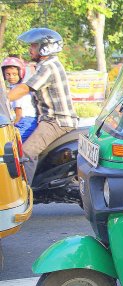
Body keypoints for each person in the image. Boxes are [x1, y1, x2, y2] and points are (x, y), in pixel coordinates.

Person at [7, 28, 78, 183]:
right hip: (47, 119)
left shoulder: (49, 66)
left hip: (57, 121)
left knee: (26, 152)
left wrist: (4, 98)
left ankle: (23, 194)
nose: (30, 49)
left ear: (45, 47)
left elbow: (26, 88)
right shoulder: (43, 65)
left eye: (33, 46)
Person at [2, 57, 38, 142]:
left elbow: (18, 114)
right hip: (25, 120)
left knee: (12, 144)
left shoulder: (18, 90)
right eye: (8, 74)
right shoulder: (14, 87)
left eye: (14, 74)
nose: (11, 77)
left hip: (26, 121)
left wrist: (12, 126)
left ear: (20, 74)